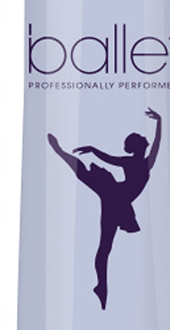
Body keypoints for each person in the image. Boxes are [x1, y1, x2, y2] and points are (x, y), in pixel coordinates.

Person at [48, 107, 162, 309]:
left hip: (116, 198)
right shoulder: (144, 163)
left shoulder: (137, 162)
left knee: (104, 247)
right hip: (117, 197)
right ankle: (101, 286)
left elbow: (115, 157)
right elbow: (150, 145)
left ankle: (101, 286)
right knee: (104, 247)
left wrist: (160, 121)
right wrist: (159, 121)